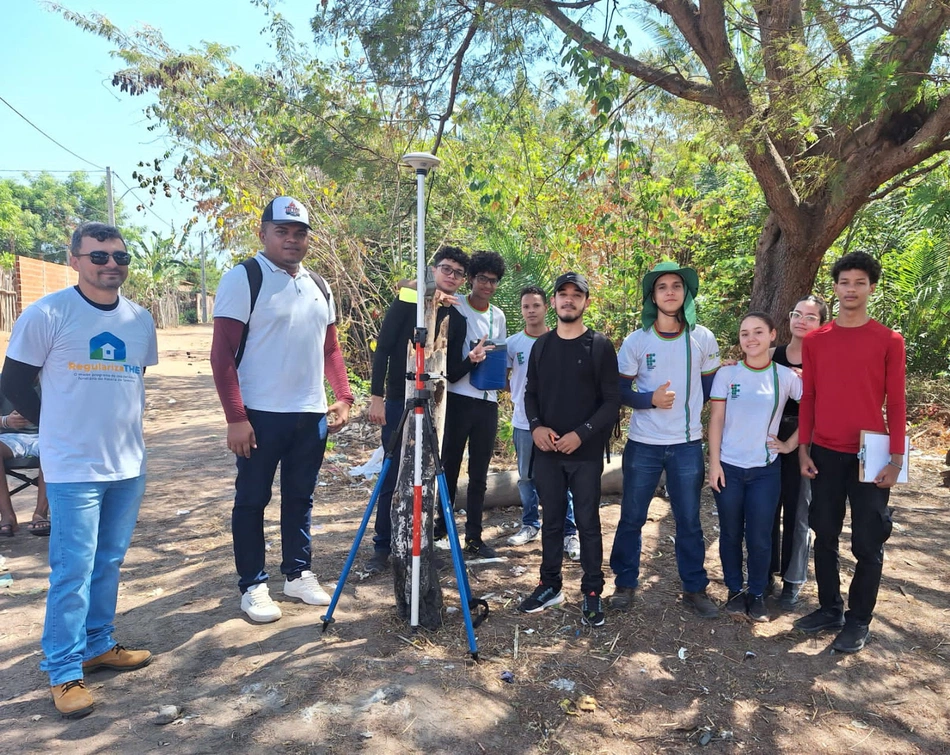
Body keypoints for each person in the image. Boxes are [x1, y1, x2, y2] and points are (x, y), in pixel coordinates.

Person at [1, 221, 157, 719]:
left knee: (109, 560)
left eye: (120, 257)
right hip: (73, 467)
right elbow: (16, 380)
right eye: (99, 256)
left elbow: (131, 383)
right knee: (73, 569)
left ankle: (98, 643)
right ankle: (64, 670)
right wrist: (56, 426)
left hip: (127, 463)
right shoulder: (48, 313)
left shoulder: (139, 319)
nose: (112, 265)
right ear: (75, 259)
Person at [211, 196, 354, 624]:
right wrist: (236, 417)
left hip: (309, 414)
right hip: (259, 414)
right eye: (282, 231)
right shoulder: (245, 278)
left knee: (300, 498)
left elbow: (330, 348)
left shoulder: (318, 285)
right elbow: (222, 354)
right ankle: (253, 585)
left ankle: (297, 573)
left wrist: (343, 396)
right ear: (263, 233)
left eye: (299, 233)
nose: (291, 240)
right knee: (252, 500)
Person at [796, 251, 906, 654]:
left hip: (872, 455)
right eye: (845, 282)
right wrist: (803, 449)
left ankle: (859, 620)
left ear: (871, 287)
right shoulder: (817, 341)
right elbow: (808, 398)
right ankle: (830, 608)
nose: (851, 290)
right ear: (836, 287)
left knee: (867, 541)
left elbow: (896, 403)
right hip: (824, 451)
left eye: (860, 282)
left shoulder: (889, 340)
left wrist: (897, 460)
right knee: (824, 533)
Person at [609, 261, 721, 618]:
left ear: (685, 293)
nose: (670, 291)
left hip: (687, 444)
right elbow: (619, 391)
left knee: (689, 519)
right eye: (662, 287)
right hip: (643, 443)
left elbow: (711, 390)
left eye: (676, 285)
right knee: (631, 516)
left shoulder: (702, 337)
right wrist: (649, 400)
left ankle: (695, 588)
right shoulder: (636, 340)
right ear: (652, 297)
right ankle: (625, 584)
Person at [518, 272, 619, 627]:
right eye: (563, 294)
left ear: (586, 302)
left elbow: (611, 402)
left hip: (585, 453)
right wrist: (536, 427)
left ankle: (592, 591)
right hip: (547, 451)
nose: (569, 300)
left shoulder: (600, 346)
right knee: (552, 521)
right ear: (555, 301)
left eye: (577, 295)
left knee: (589, 524)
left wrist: (583, 433)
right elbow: (530, 394)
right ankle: (550, 585)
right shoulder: (541, 346)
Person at [365, 246, 471, 573]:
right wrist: (376, 396)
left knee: (426, 476)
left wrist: (474, 359)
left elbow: (450, 372)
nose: (451, 276)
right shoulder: (408, 301)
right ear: (434, 269)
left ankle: (419, 543)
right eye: (446, 269)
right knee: (392, 471)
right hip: (398, 399)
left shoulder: (458, 319)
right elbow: (383, 348)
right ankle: (383, 546)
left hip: (434, 406)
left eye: (457, 273)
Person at [708, 312, 802, 622]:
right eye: (745, 333)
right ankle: (735, 591)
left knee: (761, 536)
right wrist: (715, 463)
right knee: (731, 533)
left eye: (758, 332)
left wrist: (789, 444)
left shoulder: (785, 377)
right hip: (730, 469)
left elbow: (816, 408)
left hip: (765, 470)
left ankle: (758, 593)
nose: (751, 338)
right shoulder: (728, 375)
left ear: (773, 335)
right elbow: (717, 420)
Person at [439, 250, 507, 558]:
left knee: (480, 472)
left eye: (493, 281)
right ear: (471, 278)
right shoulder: (456, 305)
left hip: (487, 401)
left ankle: (475, 537)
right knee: (449, 466)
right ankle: (442, 528)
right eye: (482, 279)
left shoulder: (499, 316)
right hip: (457, 398)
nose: (487, 286)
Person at [505, 285, 580, 562]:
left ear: (546, 307)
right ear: (521, 310)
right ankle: (530, 524)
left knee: (563, 479)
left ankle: (568, 531)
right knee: (526, 477)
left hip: (557, 423)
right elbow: (504, 378)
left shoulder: (561, 338)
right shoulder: (513, 344)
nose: (531, 311)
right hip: (524, 422)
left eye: (536, 305)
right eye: (526, 306)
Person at [769, 295, 828, 607]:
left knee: (798, 511)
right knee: (765, 509)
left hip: (806, 442)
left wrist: (792, 444)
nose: (802, 321)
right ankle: (764, 573)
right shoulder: (770, 354)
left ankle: (792, 581)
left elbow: (823, 409)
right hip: (768, 439)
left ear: (822, 323)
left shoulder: (825, 360)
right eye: (797, 314)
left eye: (811, 317)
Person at [0, 402, 50, 537]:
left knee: (52, 448)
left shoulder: (54, 381)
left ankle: (40, 513)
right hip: (7, 437)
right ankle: (7, 515)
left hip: (47, 434)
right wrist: (6, 421)